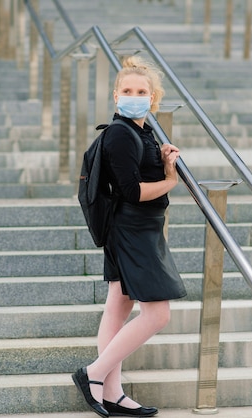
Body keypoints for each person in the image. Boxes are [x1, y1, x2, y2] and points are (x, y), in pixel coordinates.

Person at [72, 55, 187, 418]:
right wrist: (170, 180)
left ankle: (111, 392)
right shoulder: (121, 133)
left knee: (118, 306)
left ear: (152, 99)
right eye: (126, 90)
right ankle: (92, 374)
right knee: (158, 314)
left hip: (139, 228)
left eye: (141, 91)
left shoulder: (141, 132)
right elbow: (132, 191)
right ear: (115, 95)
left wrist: (164, 161)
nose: (133, 95)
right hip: (132, 228)